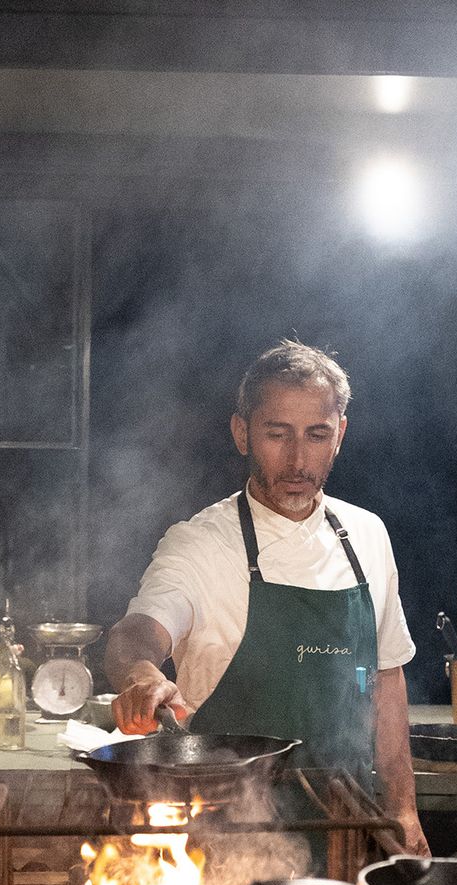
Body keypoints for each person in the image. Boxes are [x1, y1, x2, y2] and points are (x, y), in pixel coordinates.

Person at [105, 340, 428, 856]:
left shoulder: (367, 535)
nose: (298, 459)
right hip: (225, 848)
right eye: (277, 434)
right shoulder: (201, 543)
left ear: (339, 435)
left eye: (316, 435)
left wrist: (404, 809)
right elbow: (137, 632)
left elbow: (386, 679)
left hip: (343, 834)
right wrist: (143, 676)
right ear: (242, 433)